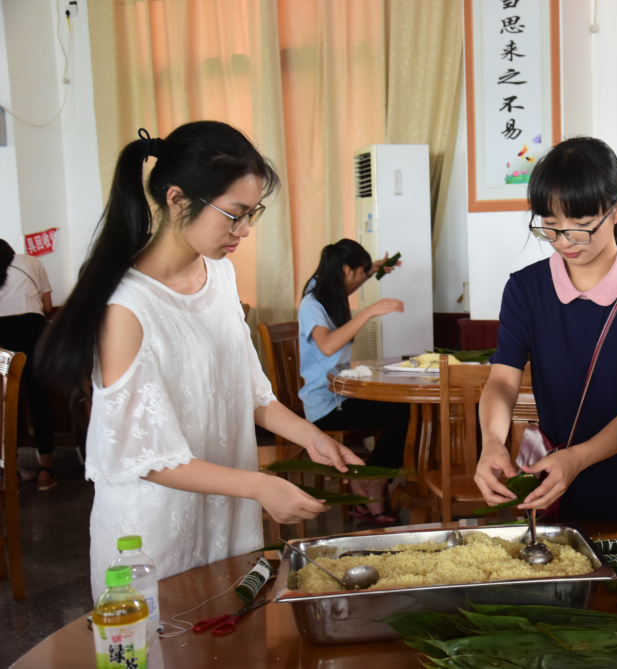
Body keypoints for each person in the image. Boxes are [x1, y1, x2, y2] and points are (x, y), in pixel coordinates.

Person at [35, 122, 365, 601]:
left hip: (226, 514)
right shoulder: (125, 307)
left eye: (252, 214)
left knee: (233, 636)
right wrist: (258, 486)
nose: (245, 230)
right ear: (177, 199)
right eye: (234, 215)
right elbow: (143, 456)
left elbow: (251, 392)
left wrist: (309, 435)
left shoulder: (221, 275)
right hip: (152, 534)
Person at [473, 136, 617, 528]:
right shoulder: (526, 289)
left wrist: (577, 459)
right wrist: (492, 441)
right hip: (560, 488)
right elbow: (502, 383)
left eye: (580, 227)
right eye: (550, 227)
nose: (564, 242)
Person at [298, 240, 409, 524]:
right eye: (359, 275)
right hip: (326, 404)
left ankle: (374, 480)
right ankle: (372, 481)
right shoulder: (313, 304)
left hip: (340, 395)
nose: (358, 282)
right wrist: (368, 312)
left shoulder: (325, 286)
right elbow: (326, 346)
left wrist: (373, 268)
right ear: (346, 270)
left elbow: (349, 279)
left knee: (401, 405)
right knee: (401, 412)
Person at [0, 239, 56, 490]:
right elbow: (46, 307)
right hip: (32, 335)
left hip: (1, 342)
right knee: (39, 400)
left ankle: (9, 472)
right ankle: (45, 471)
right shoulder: (31, 262)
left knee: (4, 403)